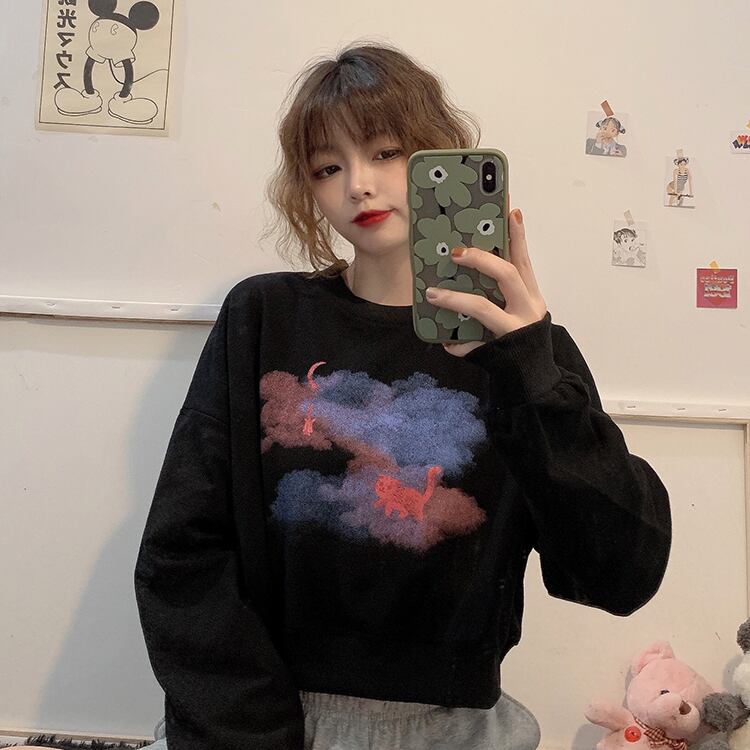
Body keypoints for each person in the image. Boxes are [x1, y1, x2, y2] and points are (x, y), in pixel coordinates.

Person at [133, 40, 672, 750]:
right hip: (260, 723)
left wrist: (532, 373)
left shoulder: (525, 355)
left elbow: (621, 575)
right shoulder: (264, 317)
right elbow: (182, 553)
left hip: (454, 728)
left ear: (438, 158)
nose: (358, 184)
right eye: (328, 167)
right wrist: (249, 730)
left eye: (386, 153)